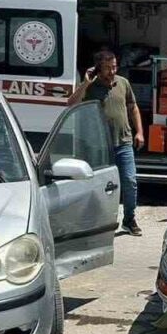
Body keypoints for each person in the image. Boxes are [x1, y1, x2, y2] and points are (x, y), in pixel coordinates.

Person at [68, 48, 145, 236]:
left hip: (123, 141)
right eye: (108, 68)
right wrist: (85, 83)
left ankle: (129, 219)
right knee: (97, 184)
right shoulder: (91, 86)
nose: (112, 71)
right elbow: (71, 103)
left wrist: (140, 132)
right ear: (98, 69)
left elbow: (133, 107)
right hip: (99, 145)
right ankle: (95, 220)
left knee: (129, 180)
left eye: (115, 66)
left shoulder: (123, 83)